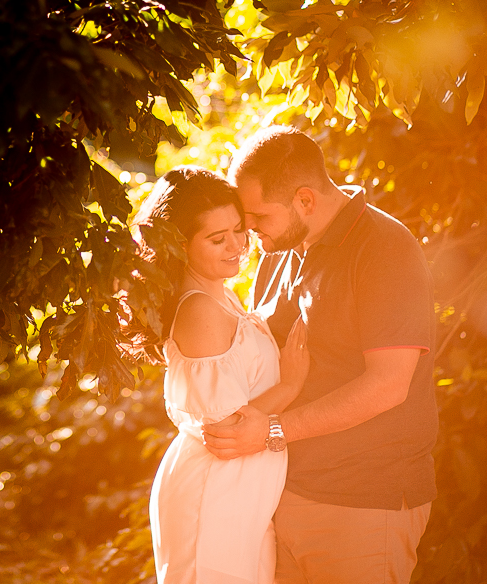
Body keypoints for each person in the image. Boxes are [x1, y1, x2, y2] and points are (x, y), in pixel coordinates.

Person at [203, 126, 438, 584]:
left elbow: (389, 384)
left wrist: (272, 431)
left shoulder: (383, 248)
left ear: (305, 200)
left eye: (257, 216)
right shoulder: (279, 250)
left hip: (362, 502)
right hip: (281, 495)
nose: (247, 230)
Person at [137, 166, 310, 584]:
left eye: (238, 230)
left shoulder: (222, 294)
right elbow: (226, 428)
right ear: (180, 245)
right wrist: (290, 384)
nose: (236, 246)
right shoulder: (199, 310)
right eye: (217, 239)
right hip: (214, 492)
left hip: (238, 492)